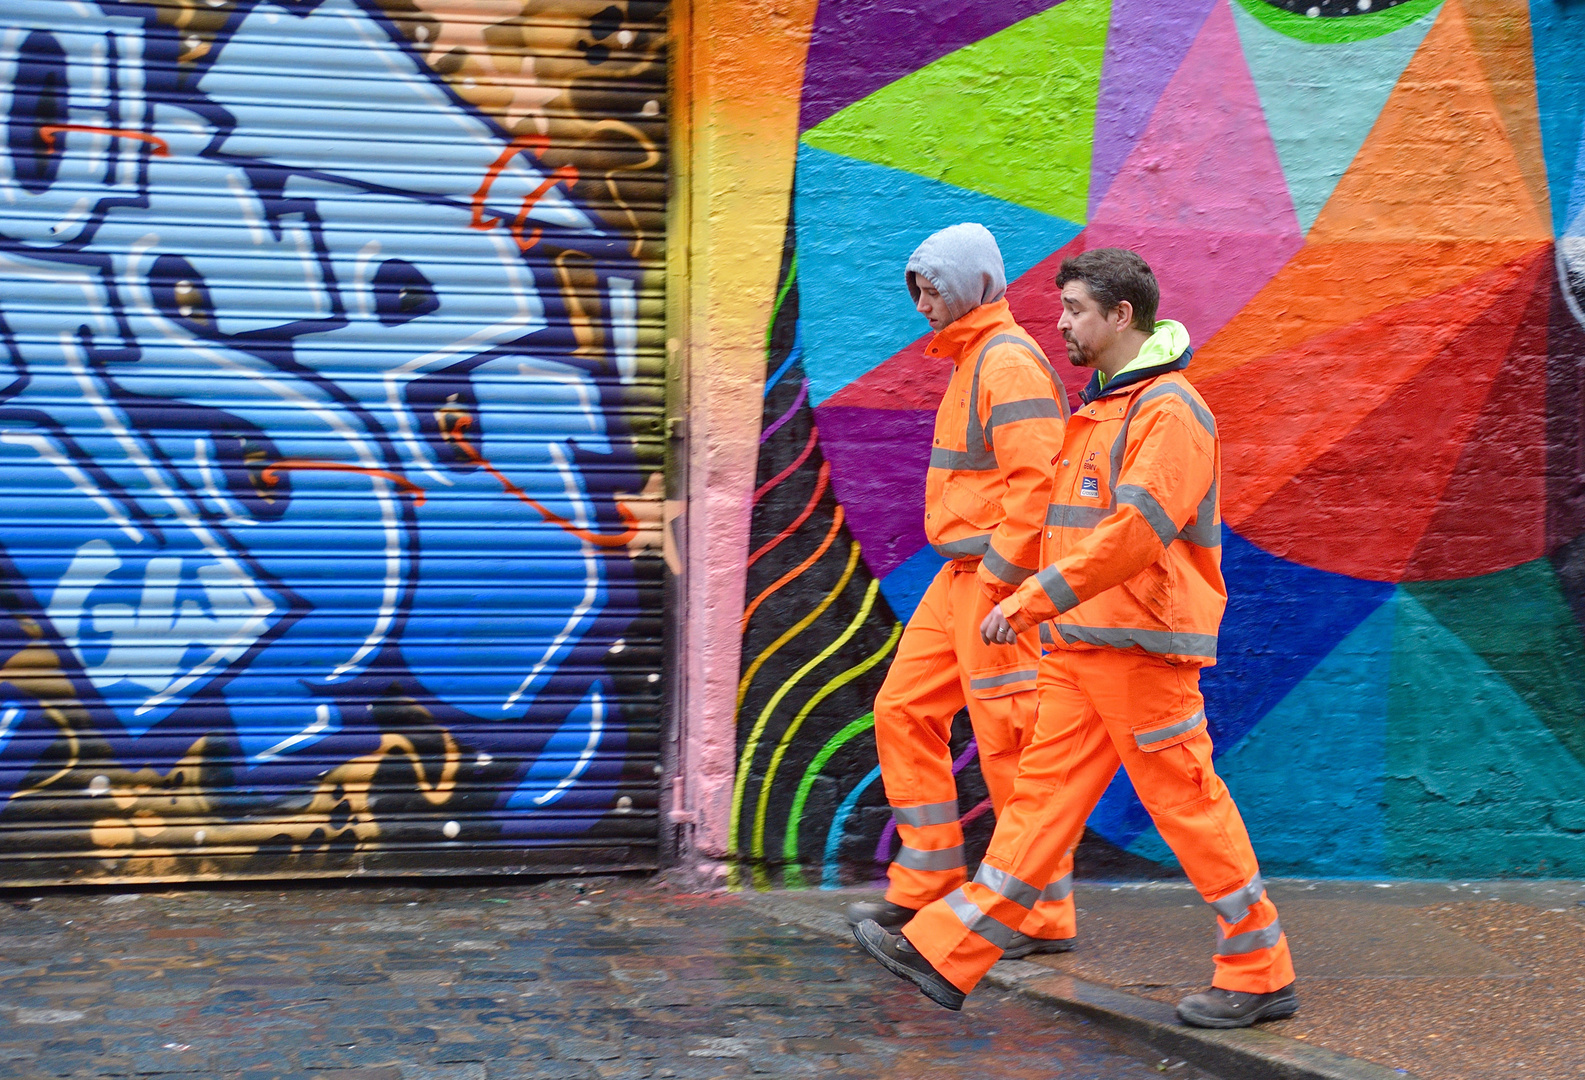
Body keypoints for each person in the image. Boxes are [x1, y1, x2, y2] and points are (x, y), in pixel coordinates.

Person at [851, 248, 1299, 1030]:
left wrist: (1029, 598)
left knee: (1185, 805)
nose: (1059, 323)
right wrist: (1046, 609)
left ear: (1120, 316)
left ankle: (1259, 968)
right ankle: (944, 950)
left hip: (1141, 650)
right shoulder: (1103, 410)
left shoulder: (1170, 410)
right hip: (1083, 646)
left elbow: (1135, 533)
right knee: (1037, 807)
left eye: (1074, 310)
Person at [844, 222, 1075, 958]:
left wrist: (1006, 584)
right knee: (904, 708)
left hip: (992, 580)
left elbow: (1036, 487)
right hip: (961, 578)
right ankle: (928, 882)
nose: (921, 305)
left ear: (970, 284)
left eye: (931, 289)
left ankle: (1036, 914)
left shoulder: (1004, 363)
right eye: (916, 290)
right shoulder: (975, 358)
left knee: (1009, 742)